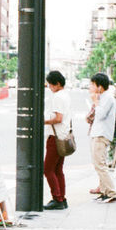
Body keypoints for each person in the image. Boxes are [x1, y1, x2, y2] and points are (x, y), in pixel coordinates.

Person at [87, 73, 116, 203]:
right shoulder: (102, 98)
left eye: (92, 84)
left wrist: (95, 101)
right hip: (97, 133)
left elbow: (101, 115)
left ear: (100, 86)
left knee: (100, 164)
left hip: (101, 134)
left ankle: (110, 192)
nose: (90, 87)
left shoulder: (108, 98)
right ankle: (104, 191)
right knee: (98, 164)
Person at [42, 70, 70, 210]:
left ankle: (57, 199)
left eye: (50, 84)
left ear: (57, 84)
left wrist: (44, 122)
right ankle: (62, 198)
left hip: (55, 137)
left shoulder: (58, 97)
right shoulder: (66, 95)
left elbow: (58, 118)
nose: (49, 87)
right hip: (63, 136)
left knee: (47, 169)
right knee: (58, 169)